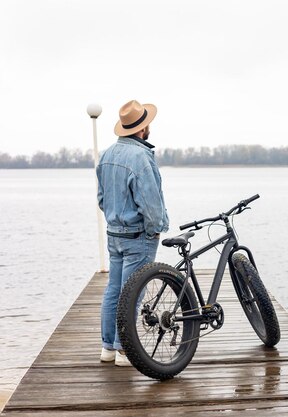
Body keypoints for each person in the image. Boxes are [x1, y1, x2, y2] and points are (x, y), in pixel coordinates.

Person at [96, 100, 169, 366]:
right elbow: (150, 204)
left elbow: (102, 200)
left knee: (114, 290)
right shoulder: (140, 158)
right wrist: (156, 230)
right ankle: (124, 351)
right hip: (138, 236)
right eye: (147, 123)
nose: (149, 127)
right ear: (141, 129)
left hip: (114, 235)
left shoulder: (106, 155)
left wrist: (116, 221)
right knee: (132, 293)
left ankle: (108, 348)